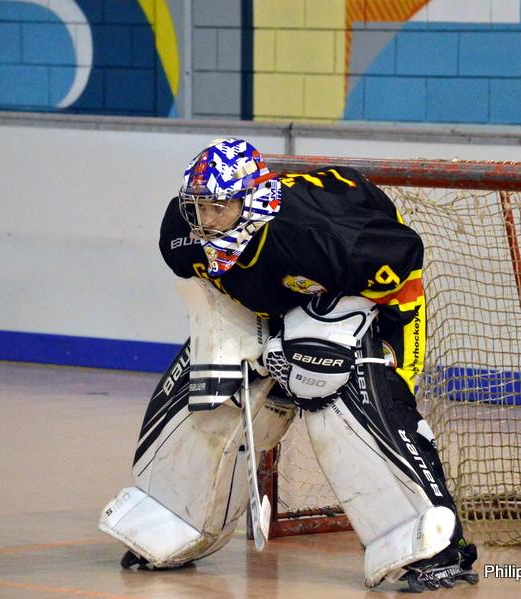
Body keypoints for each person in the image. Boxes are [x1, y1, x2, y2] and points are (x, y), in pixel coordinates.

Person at [100, 138, 478, 591]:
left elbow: (404, 261)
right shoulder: (182, 235)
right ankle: (172, 516)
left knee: (331, 380)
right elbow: (208, 287)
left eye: (218, 208)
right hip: (275, 296)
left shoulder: (319, 238)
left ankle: (434, 545)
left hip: (363, 291)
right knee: (215, 382)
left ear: (254, 200)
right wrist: (246, 346)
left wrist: (388, 359)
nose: (205, 222)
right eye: (197, 208)